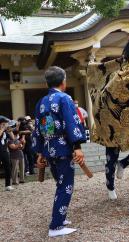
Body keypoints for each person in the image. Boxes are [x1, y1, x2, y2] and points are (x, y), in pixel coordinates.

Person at [32, 66, 87, 237]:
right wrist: (77, 147)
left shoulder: (41, 102)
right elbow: (72, 122)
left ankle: (60, 218)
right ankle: (55, 226)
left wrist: (40, 152)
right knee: (66, 186)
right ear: (64, 81)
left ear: (46, 83)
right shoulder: (65, 98)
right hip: (63, 148)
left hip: (49, 148)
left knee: (61, 184)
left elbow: (38, 129)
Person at [0, 116, 13, 191]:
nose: (5, 125)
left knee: (8, 167)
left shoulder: (5, 131)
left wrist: (10, 130)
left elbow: (13, 138)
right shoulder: (1, 130)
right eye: (3, 123)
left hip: (4, 151)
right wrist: (2, 129)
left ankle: (8, 185)